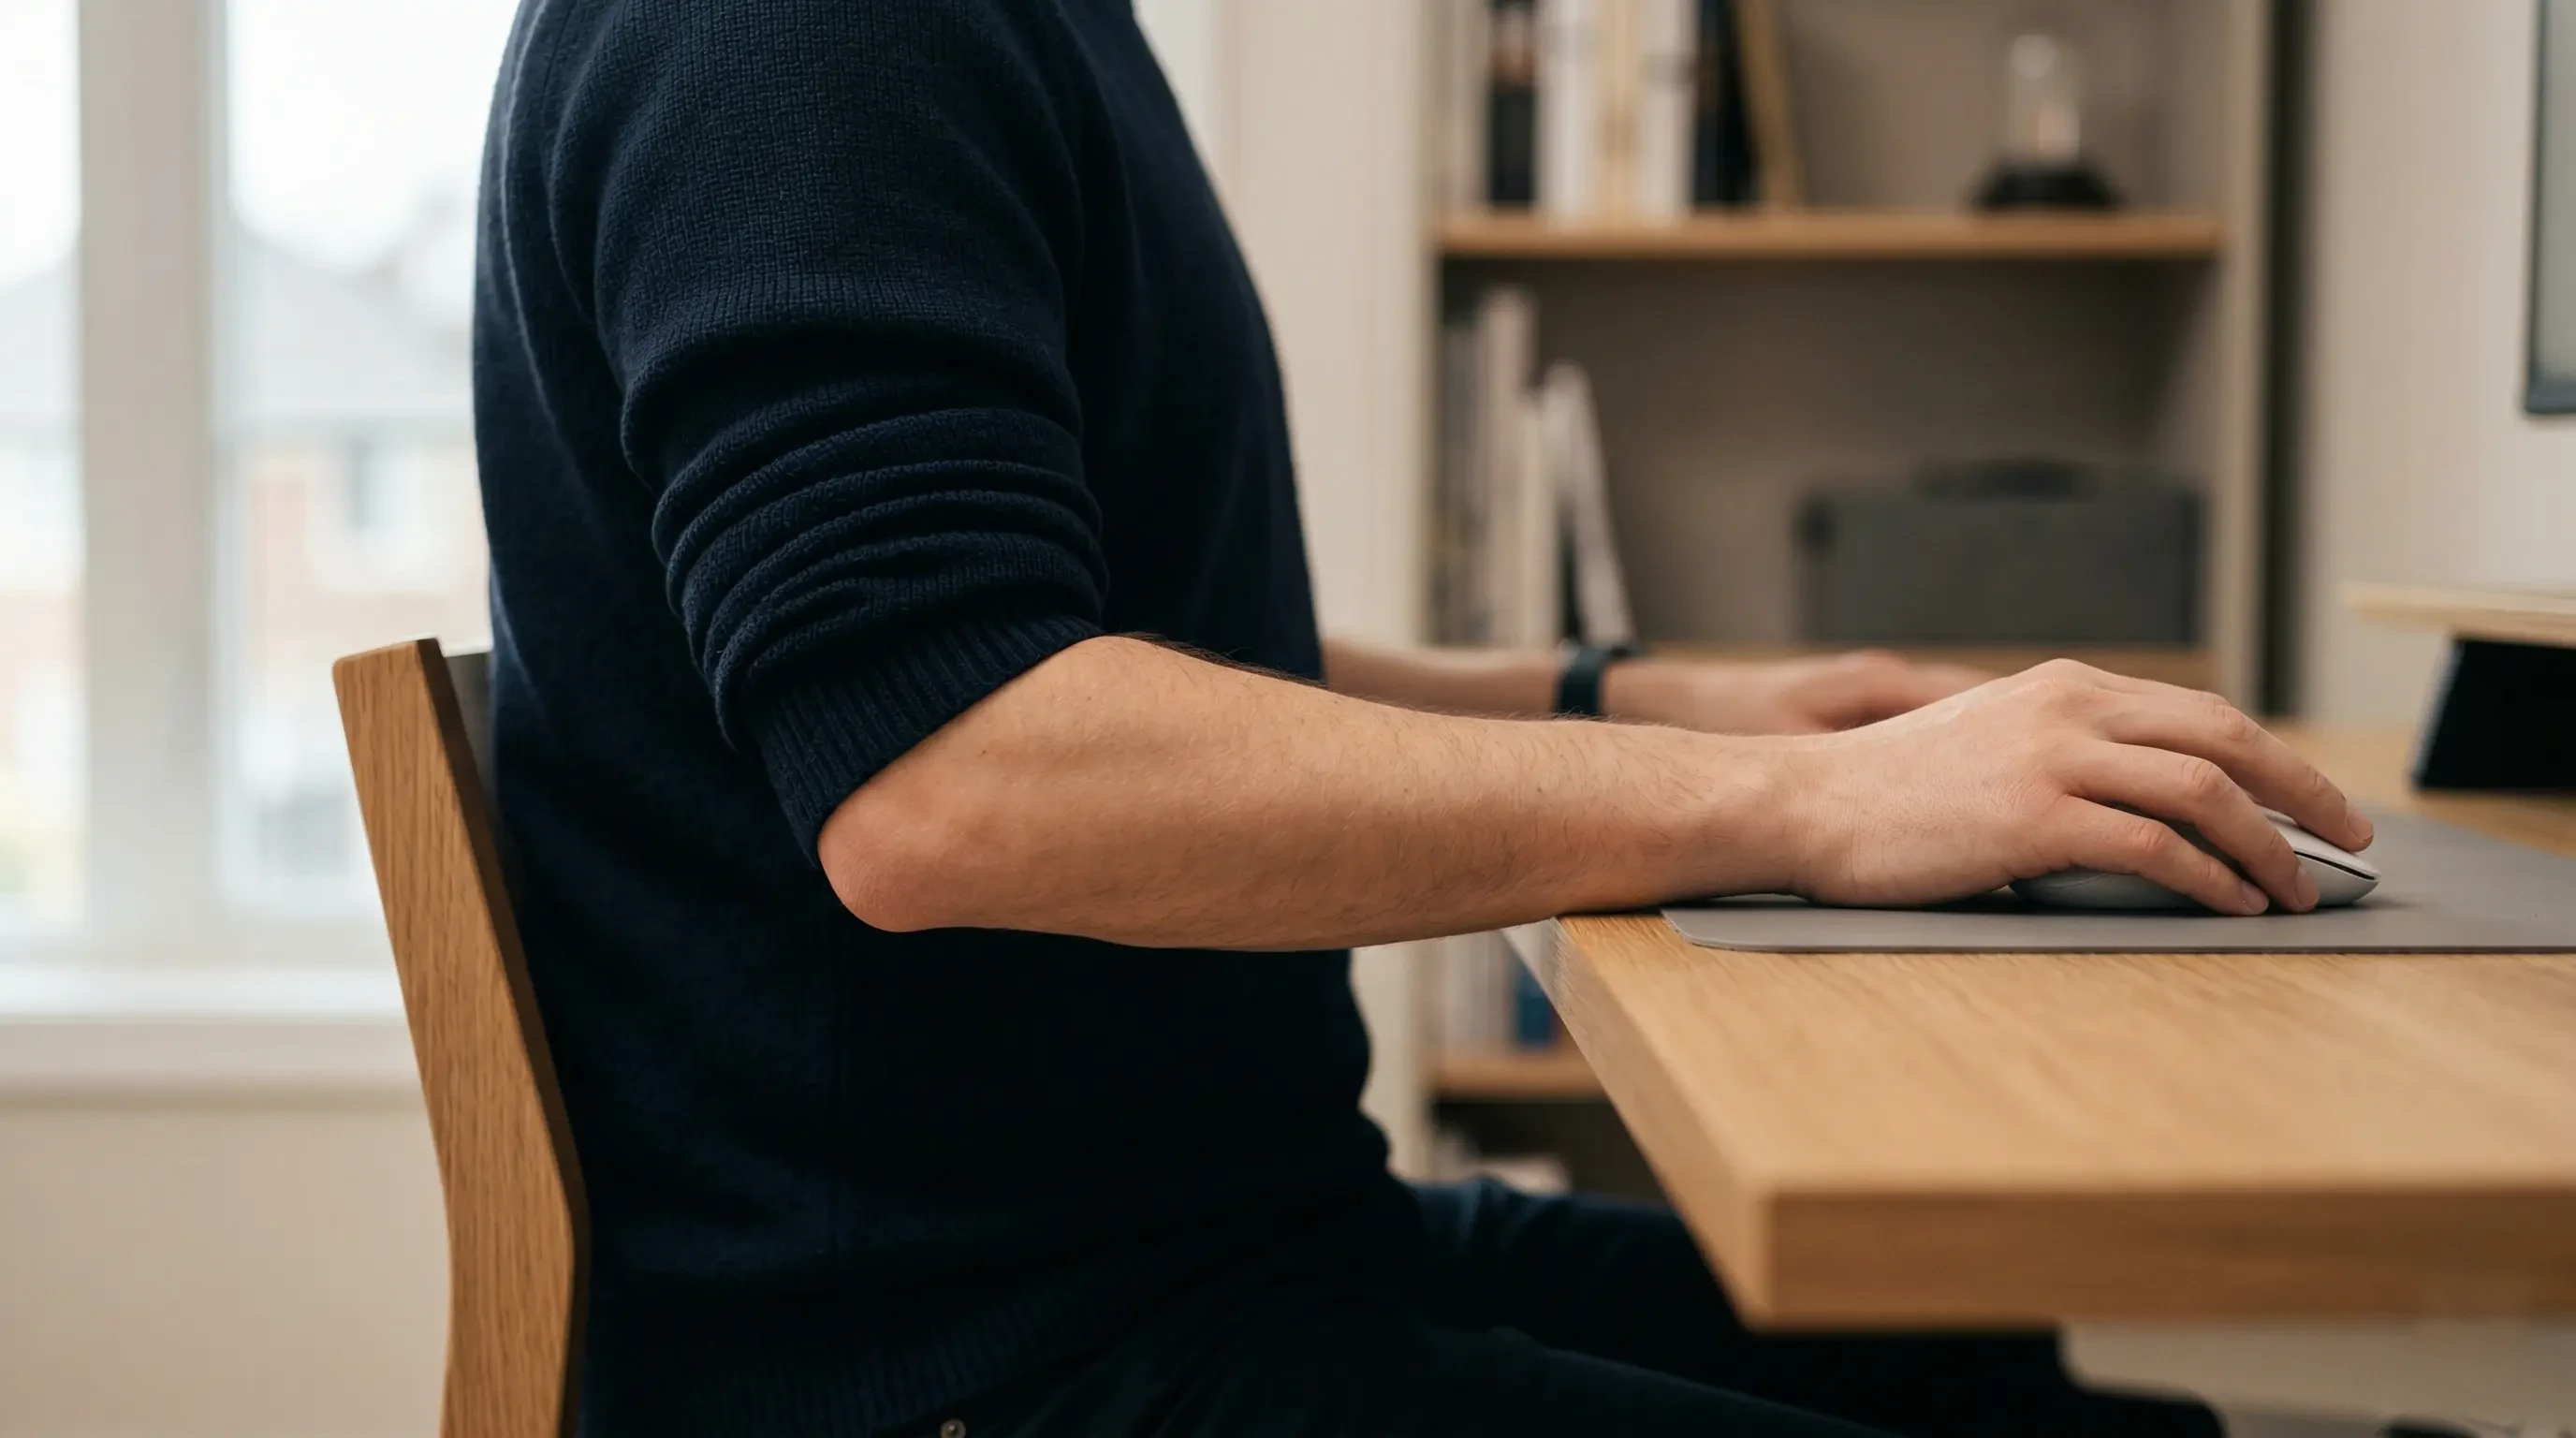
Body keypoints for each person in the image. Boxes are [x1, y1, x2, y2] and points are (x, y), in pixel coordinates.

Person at [470, 2, 2368, 1434]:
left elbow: (1093, 648)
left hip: (1217, 1249)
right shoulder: (804, 41)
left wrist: (1643, 698)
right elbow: (952, 775)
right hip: (974, 1359)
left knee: (2013, 1381)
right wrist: (1800, 803)